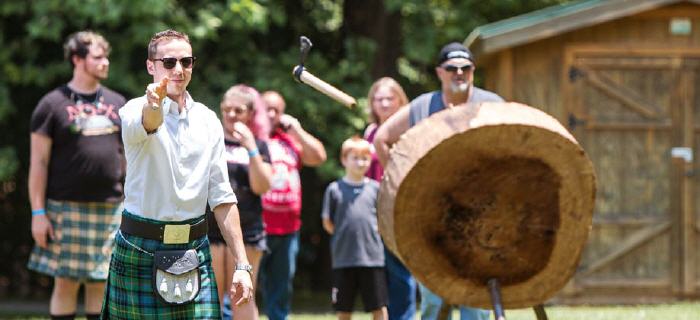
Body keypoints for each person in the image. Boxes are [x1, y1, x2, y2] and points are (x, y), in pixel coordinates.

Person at [101, 29, 253, 318]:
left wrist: (242, 265)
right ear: (151, 66)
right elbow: (151, 121)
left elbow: (222, 197)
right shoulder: (134, 110)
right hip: (140, 248)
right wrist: (154, 104)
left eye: (186, 61)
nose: (179, 70)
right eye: (169, 63)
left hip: (194, 251)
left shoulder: (208, 120)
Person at [374, 42, 504, 320]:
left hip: (482, 214)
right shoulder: (424, 105)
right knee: (434, 298)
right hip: (432, 215)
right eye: (452, 68)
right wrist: (400, 183)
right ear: (439, 72)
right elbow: (382, 138)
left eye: (465, 68)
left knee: (476, 297)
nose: (459, 73)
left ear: (473, 71)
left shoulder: (492, 104)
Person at [27, 30, 126, 320]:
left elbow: (128, 157)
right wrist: (38, 212)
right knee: (65, 282)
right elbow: (39, 163)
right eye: (98, 57)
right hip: (64, 207)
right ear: (77, 59)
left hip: (111, 207)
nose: (106, 62)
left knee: (101, 283)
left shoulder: (118, 102)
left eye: (106, 56)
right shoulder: (51, 104)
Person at [258, 91, 327, 320]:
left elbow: (318, 157)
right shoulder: (250, 137)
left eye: (276, 110)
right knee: (244, 284)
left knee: (281, 287)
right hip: (257, 227)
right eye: (266, 108)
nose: (271, 114)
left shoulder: (289, 140)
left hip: (287, 229)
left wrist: (296, 129)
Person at [207, 84, 273, 320]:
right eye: (227, 109)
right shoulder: (211, 141)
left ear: (250, 114)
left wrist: (252, 148)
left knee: (243, 296)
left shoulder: (260, 145)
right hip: (213, 229)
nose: (232, 115)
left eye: (239, 110)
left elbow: (261, 186)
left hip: (248, 231)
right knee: (211, 296)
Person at [363, 77, 416, 320]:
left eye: (389, 98)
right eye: (378, 99)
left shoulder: (409, 132)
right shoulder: (370, 132)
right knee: (378, 270)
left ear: (400, 101)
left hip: (399, 208)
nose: (383, 103)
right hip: (373, 209)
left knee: (400, 271)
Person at [321, 137, 388, 320]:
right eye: (355, 157)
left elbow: (382, 222)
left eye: (365, 158)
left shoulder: (376, 189)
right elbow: (328, 222)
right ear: (344, 160)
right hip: (344, 259)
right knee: (343, 310)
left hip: (372, 259)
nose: (360, 162)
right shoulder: (334, 190)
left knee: (379, 307)